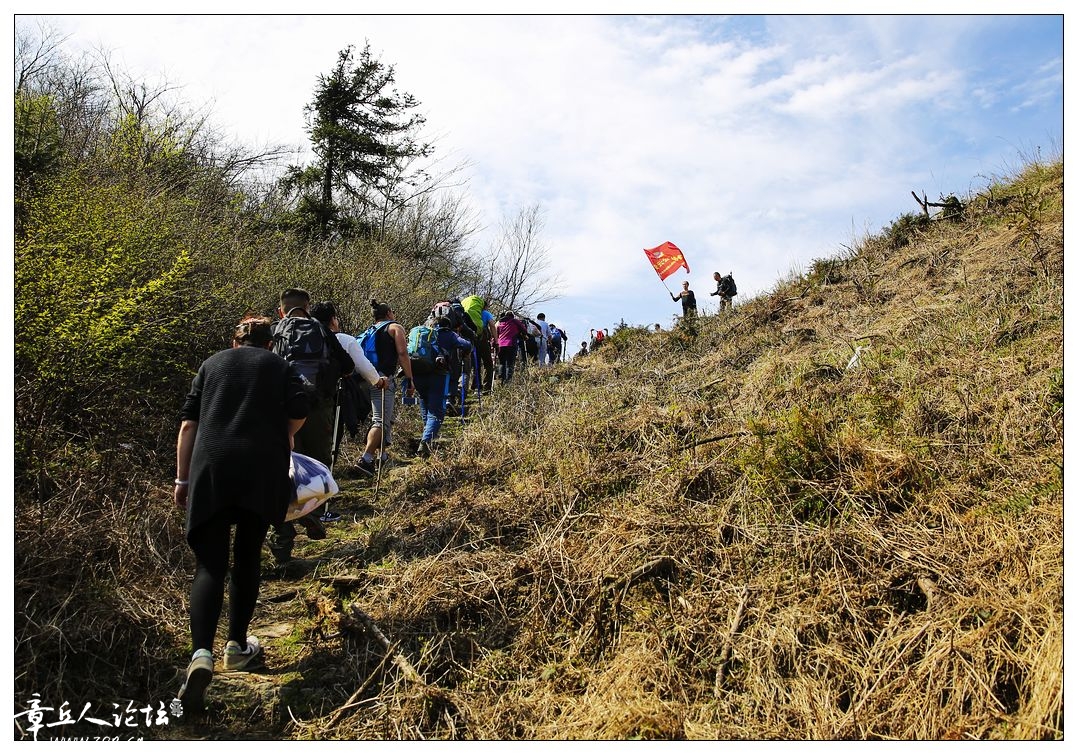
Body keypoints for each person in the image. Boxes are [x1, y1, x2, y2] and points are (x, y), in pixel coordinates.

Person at [174, 315, 308, 711]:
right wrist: (285, 433)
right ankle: (236, 645)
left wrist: (183, 480)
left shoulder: (211, 364)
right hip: (260, 468)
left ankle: (201, 654)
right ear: (270, 344)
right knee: (248, 555)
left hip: (210, 466)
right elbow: (300, 409)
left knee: (209, 565)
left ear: (234, 341)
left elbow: (188, 425)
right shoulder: (280, 366)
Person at [268, 288, 353, 562]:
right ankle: (313, 513)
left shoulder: (274, 330)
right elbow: (348, 365)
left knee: (281, 468)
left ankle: (282, 537)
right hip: (317, 408)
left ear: (281, 309)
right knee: (317, 462)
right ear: (308, 306)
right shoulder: (322, 330)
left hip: (281, 410)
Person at [308, 301, 387, 470]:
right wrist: (379, 381)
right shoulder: (344, 340)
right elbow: (363, 366)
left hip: (299, 395)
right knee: (330, 437)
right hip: (330, 397)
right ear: (333, 320)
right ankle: (324, 477)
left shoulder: (302, 337)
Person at [356, 300, 415, 477]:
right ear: (389, 313)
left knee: (384, 418)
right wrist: (410, 378)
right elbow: (403, 353)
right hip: (382, 379)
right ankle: (366, 459)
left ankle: (382, 455)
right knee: (380, 420)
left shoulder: (369, 331)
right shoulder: (395, 327)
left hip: (363, 378)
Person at [412, 317, 474, 456]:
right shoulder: (449, 334)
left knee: (425, 403)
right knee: (437, 411)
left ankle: (427, 434)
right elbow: (467, 345)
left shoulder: (420, 334)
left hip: (418, 373)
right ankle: (426, 441)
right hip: (438, 374)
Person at [495, 310, 527, 382]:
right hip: (511, 344)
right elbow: (524, 330)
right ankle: (508, 381)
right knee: (510, 363)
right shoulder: (515, 321)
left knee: (502, 363)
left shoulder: (499, 322)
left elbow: (495, 334)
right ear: (512, 316)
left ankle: (501, 380)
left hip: (500, 345)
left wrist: (493, 344)